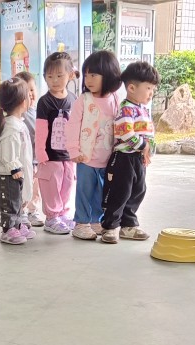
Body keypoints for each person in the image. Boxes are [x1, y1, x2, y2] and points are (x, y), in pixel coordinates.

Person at [64, 51, 125, 241]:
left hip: (108, 159)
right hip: (86, 158)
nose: (88, 80)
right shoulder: (83, 100)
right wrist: (74, 150)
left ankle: (95, 221)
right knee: (84, 191)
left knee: (102, 191)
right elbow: (72, 126)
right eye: (86, 75)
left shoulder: (115, 98)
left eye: (93, 75)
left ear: (109, 75)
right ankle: (81, 223)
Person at [99, 60, 160, 244]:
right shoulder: (126, 108)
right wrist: (143, 146)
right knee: (120, 192)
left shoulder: (143, 109)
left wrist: (148, 150)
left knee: (138, 190)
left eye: (153, 89)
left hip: (138, 158)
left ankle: (128, 225)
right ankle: (110, 226)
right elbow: (126, 133)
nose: (151, 93)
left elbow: (149, 133)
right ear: (132, 88)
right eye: (148, 88)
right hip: (124, 158)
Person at [35, 51, 78, 235]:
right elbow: (40, 130)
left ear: (70, 75)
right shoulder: (44, 102)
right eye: (50, 76)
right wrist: (41, 153)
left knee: (67, 183)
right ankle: (52, 217)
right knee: (51, 184)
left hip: (69, 155)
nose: (54, 80)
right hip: (50, 155)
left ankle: (63, 214)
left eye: (60, 76)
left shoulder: (74, 99)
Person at [0, 78, 36, 246]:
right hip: (8, 175)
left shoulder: (16, 123)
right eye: (29, 95)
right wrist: (14, 168)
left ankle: (17, 226)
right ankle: (8, 230)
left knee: (17, 201)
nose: (32, 97)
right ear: (23, 102)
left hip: (15, 173)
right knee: (10, 203)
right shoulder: (11, 127)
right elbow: (7, 152)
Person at [13, 71, 44, 227]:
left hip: (37, 159)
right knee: (24, 187)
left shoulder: (38, 112)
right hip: (24, 160)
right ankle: (22, 211)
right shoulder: (18, 115)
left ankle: (33, 210)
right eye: (26, 91)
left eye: (32, 89)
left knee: (36, 188)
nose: (30, 94)